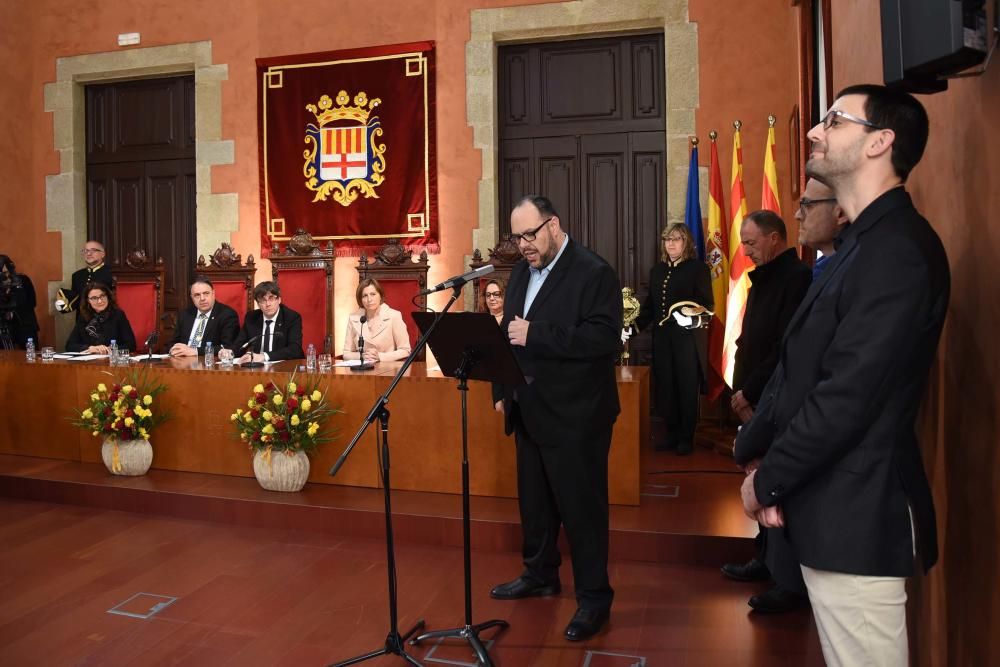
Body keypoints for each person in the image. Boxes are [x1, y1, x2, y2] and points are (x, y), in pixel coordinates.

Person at [738, 84, 949, 666]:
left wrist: (768, 481)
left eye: (834, 120)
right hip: (830, 506)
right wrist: (758, 456)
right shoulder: (858, 244)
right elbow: (797, 371)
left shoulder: (897, 250)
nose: (814, 131)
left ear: (881, 142)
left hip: (860, 514)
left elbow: (846, 398)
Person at [489, 194, 622, 642]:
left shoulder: (593, 271)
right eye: (516, 236)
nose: (523, 245)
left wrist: (538, 334)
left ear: (553, 225)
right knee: (535, 504)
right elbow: (506, 332)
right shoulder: (522, 271)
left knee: (581, 511)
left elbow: (603, 339)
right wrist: (502, 389)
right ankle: (540, 573)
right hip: (528, 407)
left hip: (577, 415)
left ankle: (594, 599)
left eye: (530, 234)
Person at [722, 210, 812, 614]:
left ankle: (787, 582)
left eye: (752, 242)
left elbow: (784, 349)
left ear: (776, 239)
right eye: (743, 242)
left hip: (772, 396)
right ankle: (765, 557)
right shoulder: (764, 277)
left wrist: (751, 390)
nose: (745, 250)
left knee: (776, 483)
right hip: (752, 395)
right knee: (758, 475)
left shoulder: (795, 279)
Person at [631, 223, 712, 454]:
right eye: (667, 240)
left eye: (676, 239)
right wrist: (631, 328)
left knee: (686, 387)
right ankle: (671, 434)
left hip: (687, 339)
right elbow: (650, 309)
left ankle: (686, 437)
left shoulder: (698, 269)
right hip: (663, 340)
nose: (671, 244)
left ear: (686, 243)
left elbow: (707, 305)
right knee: (666, 386)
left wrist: (691, 319)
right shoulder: (657, 271)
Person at [342, 277, 411, 363]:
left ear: (380, 296)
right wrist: (362, 356)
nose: (369, 300)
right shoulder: (354, 318)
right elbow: (346, 353)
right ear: (360, 300)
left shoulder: (394, 316)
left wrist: (380, 356)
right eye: (365, 296)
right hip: (361, 371)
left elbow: (405, 350)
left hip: (387, 370)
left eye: (373, 294)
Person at [167, 277, 239, 357]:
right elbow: (173, 342)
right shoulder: (185, 314)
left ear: (213, 293)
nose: (202, 298)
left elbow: (227, 347)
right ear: (192, 298)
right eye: (197, 295)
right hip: (181, 362)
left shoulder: (227, 314)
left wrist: (195, 351)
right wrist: (173, 349)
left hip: (209, 363)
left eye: (206, 293)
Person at [233, 281, 304, 362]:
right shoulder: (251, 317)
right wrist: (230, 352)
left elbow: (295, 350)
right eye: (263, 300)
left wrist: (264, 356)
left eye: (271, 298)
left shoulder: (291, 317)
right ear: (258, 304)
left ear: (279, 300)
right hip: (258, 369)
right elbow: (240, 345)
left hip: (284, 367)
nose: (268, 304)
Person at [795, 178, 850, 279]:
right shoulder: (823, 269)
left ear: (841, 213)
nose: (797, 215)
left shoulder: (854, 275)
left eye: (807, 204)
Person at [65, 282, 136, 353]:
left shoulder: (118, 315)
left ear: (108, 296)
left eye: (102, 296)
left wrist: (109, 349)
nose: (100, 301)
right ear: (88, 301)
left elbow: (131, 345)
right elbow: (70, 345)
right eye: (94, 298)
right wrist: (90, 348)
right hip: (90, 361)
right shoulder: (83, 317)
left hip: (112, 360)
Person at [55, 241, 113, 321]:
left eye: (93, 250)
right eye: (85, 251)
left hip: (106, 321)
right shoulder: (77, 276)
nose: (88, 254)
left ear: (102, 254)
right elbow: (76, 300)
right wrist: (64, 302)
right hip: (82, 323)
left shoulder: (111, 273)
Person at [0, 255, 40, 349]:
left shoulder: (23, 280)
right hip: (5, 326)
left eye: (6, 269)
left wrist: (13, 290)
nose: (5, 274)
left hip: (25, 325)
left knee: (30, 356)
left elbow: (32, 302)